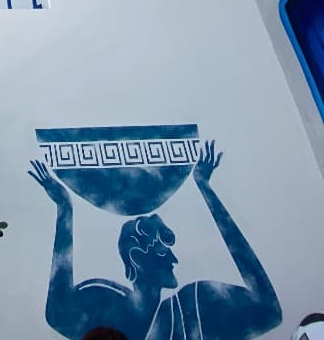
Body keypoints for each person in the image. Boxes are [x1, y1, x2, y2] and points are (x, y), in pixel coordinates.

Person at [29, 141, 281, 340]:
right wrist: (65, 210)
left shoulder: (191, 305)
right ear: (137, 258)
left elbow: (268, 308)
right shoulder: (108, 302)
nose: (174, 258)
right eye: (162, 252)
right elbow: (56, 310)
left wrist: (206, 190)